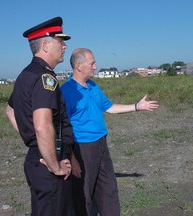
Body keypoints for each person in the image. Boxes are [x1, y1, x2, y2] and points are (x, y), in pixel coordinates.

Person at [60, 48, 159, 216]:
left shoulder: (93, 87)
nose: (95, 67)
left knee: (108, 189)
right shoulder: (67, 91)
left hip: (101, 144)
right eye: (91, 63)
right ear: (78, 65)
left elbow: (110, 107)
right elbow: (61, 127)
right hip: (82, 148)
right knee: (83, 194)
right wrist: (70, 157)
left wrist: (136, 107)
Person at [5, 17, 81, 216]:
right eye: (60, 41)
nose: (65, 46)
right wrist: (54, 164)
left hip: (39, 157)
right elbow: (43, 126)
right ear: (45, 45)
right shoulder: (44, 78)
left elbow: (10, 111)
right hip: (48, 161)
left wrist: (36, 142)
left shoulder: (25, 75)